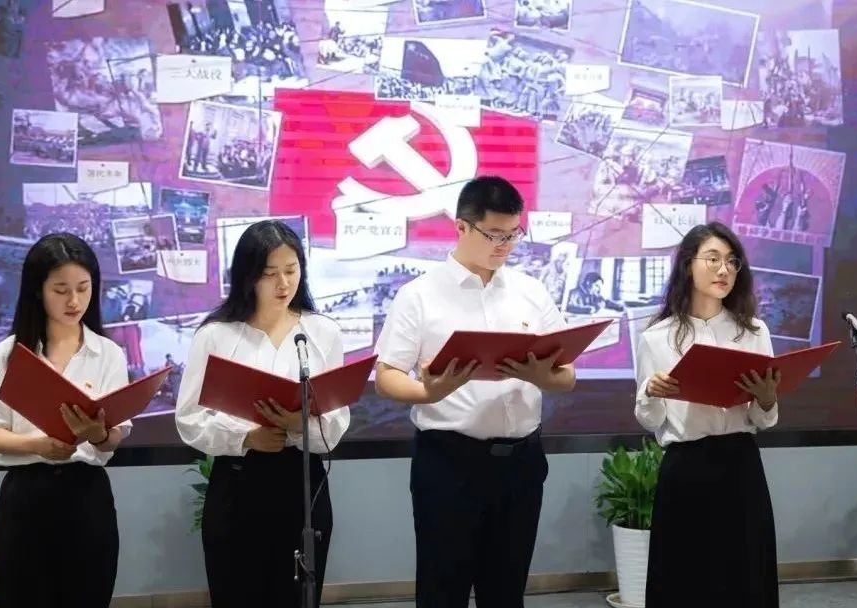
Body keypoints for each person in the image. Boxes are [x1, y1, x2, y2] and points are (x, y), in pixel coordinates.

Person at [373, 175, 576, 608]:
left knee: (506, 592)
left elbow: (566, 377)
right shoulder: (419, 295)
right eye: (493, 235)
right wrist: (429, 393)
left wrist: (538, 374)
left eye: (513, 234)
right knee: (442, 591)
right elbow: (386, 375)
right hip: (449, 464)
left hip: (521, 463)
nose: (505, 245)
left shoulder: (530, 290)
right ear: (461, 227)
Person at [175, 220, 349, 608]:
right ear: (248, 275)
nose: (283, 284)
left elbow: (335, 424)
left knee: (297, 596)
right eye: (270, 274)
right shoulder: (217, 334)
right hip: (238, 483)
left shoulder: (321, 332)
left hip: (301, 484)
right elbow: (189, 420)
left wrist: (297, 427)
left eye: (291, 270)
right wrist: (245, 438)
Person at [0, 233, 131, 608]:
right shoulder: (8, 354)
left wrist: (98, 433)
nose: (74, 301)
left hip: (86, 495)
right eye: (61, 290)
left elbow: (116, 435)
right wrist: (39, 445)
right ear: (37, 290)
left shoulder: (108, 353)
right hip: (26, 497)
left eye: (83, 288)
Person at [634, 222, 781, 607]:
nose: (724, 270)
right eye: (712, 259)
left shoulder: (754, 331)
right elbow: (650, 420)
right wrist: (650, 392)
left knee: (745, 574)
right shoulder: (657, 336)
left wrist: (767, 399)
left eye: (732, 262)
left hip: (741, 464)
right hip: (687, 466)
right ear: (688, 265)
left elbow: (764, 420)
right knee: (686, 576)